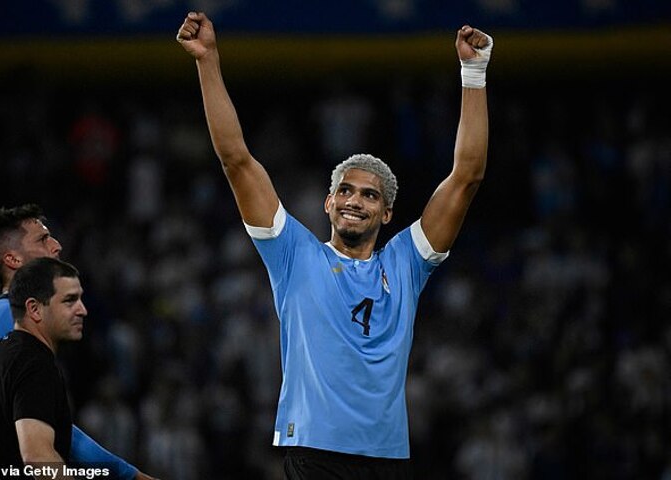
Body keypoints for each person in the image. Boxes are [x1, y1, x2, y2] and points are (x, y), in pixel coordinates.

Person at [177, 11, 493, 479]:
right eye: (345, 190)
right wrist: (207, 61)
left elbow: (466, 177)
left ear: (387, 213)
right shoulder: (294, 255)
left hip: (386, 460)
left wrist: (474, 72)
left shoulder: (405, 263)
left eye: (369, 195)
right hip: (314, 455)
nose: (354, 201)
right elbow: (236, 160)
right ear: (328, 203)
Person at [0, 204, 157, 480]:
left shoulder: (13, 323)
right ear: (13, 259)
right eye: (43, 239)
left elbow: (43, 424)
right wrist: (128, 475)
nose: (57, 245)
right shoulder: (6, 314)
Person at [0, 257, 85, 477]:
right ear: (34, 309)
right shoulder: (34, 363)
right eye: (69, 300)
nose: (82, 310)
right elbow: (38, 458)